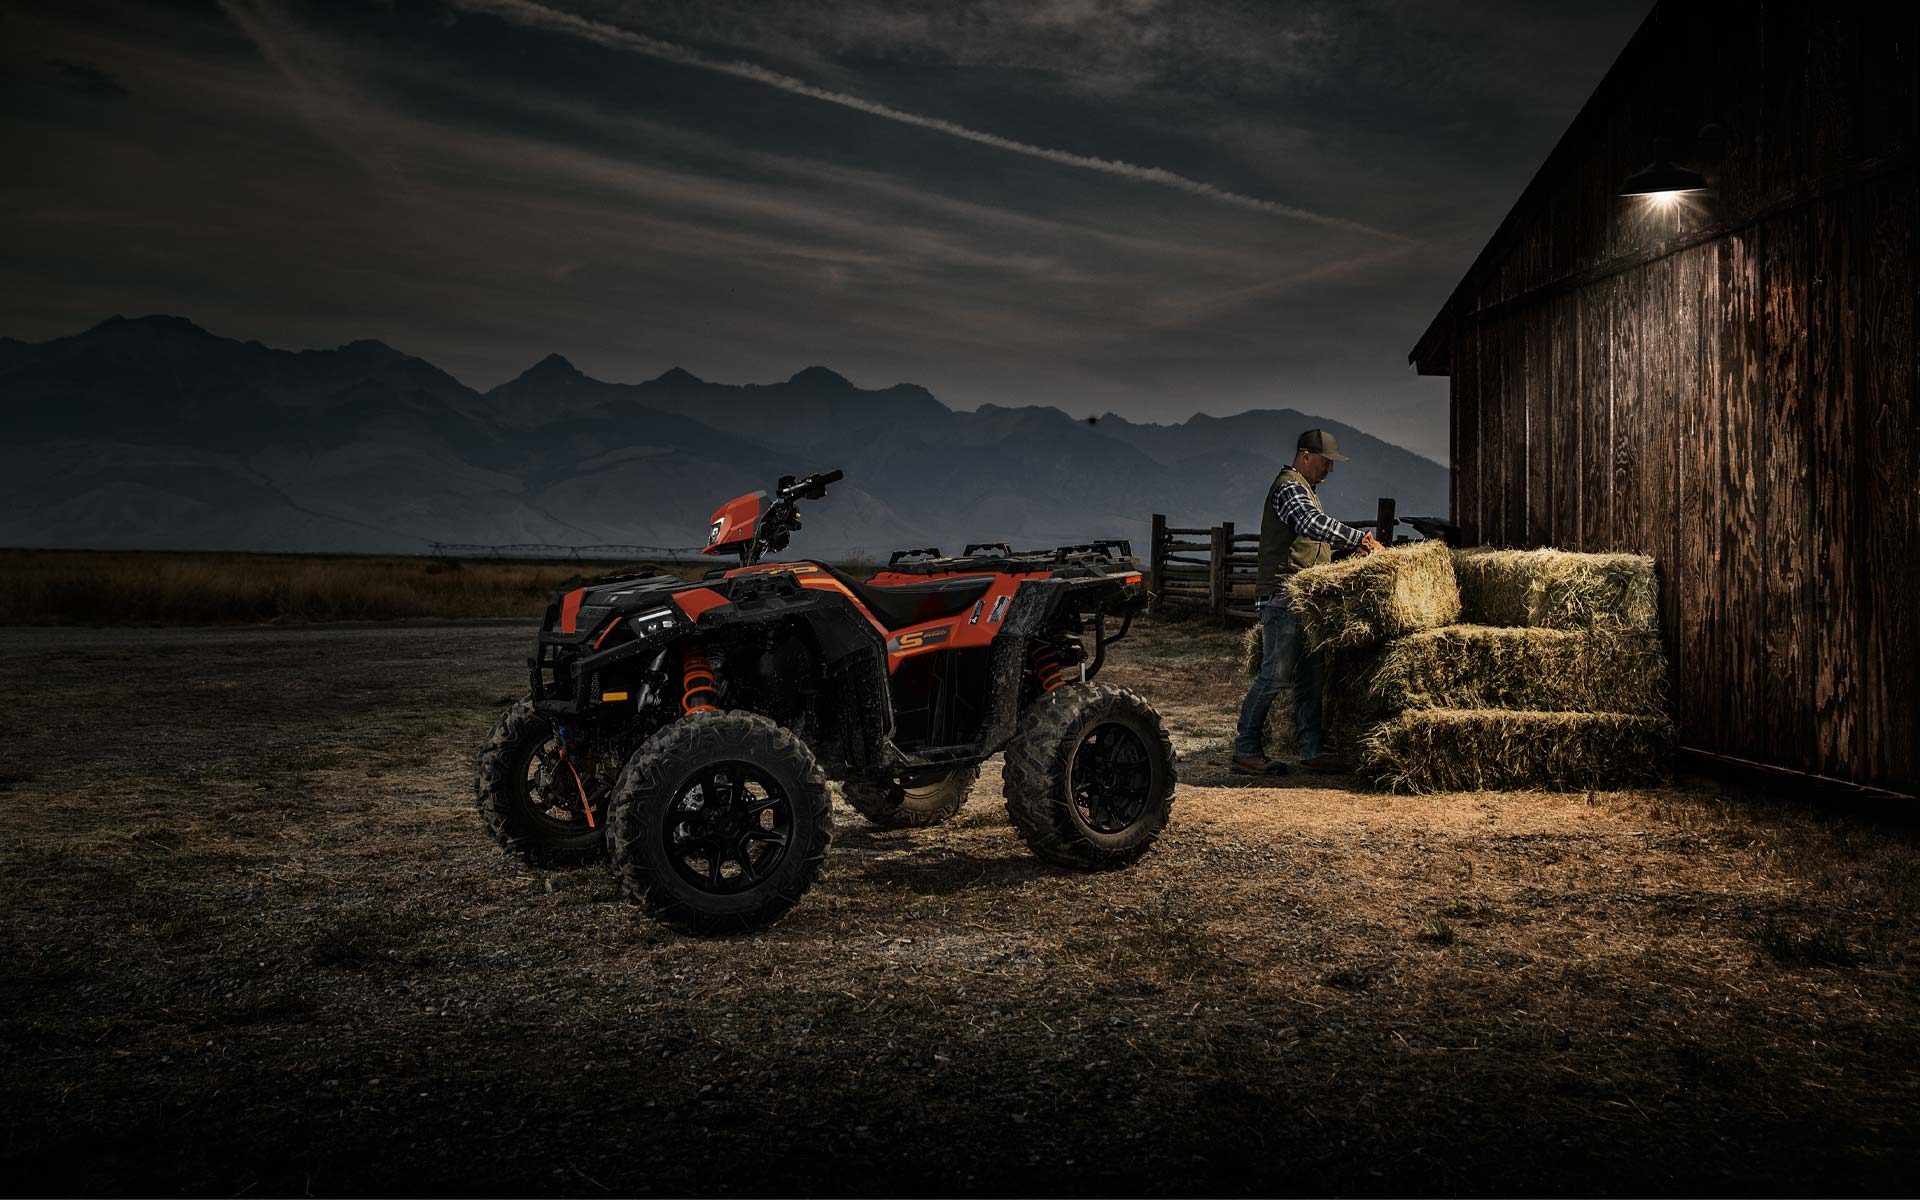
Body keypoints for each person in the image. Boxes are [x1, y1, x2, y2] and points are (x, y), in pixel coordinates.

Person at [1231, 429, 1380, 775]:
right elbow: (1310, 523)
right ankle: (1245, 749)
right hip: (1283, 598)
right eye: (1326, 462)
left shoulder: (1306, 491)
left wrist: (1346, 552)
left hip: (1304, 602)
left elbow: (1312, 544)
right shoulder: (1290, 488)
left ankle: (1311, 749)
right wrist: (1359, 538)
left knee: (1311, 677)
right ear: (1306, 456)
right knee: (1275, 674)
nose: (1330, 469)